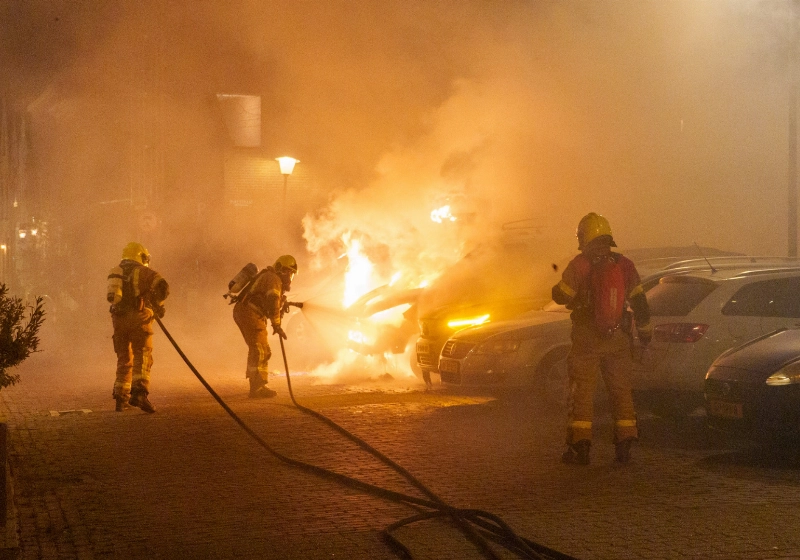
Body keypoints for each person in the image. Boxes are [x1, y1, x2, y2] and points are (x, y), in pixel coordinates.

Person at [552, 213, 652, 465]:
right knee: (621, 392)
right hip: (618, 337)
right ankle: (625, 443)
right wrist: (645, 331)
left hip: (587, 337)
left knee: (582, 391)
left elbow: (562, 296)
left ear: (584, 237)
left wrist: (557, 289)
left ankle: (580, 447)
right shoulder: (624, 264)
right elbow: (639, 300)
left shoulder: (580, 264)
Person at [106, 242, 169, 413]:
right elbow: (162, 286)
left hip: (118, 319)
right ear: (140, 256)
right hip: (138, 318)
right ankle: (140, 394)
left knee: (124, 357)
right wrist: (155, 307)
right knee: (143, 355)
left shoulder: (115, 270)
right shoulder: (143, 271)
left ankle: (121, 398)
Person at [232, 255, 296, 398]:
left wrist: (281, 304)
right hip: (249, 312)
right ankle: (257, 388)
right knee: (261, 349)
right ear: (282, 270)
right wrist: (277, 325)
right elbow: (272, 303)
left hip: (248, 312)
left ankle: (257, 385)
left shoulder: (271, 278)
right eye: (289, 273)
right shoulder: (273, 279)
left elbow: (269, 302)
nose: (290, 277)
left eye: (292, 274)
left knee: (258, 348)